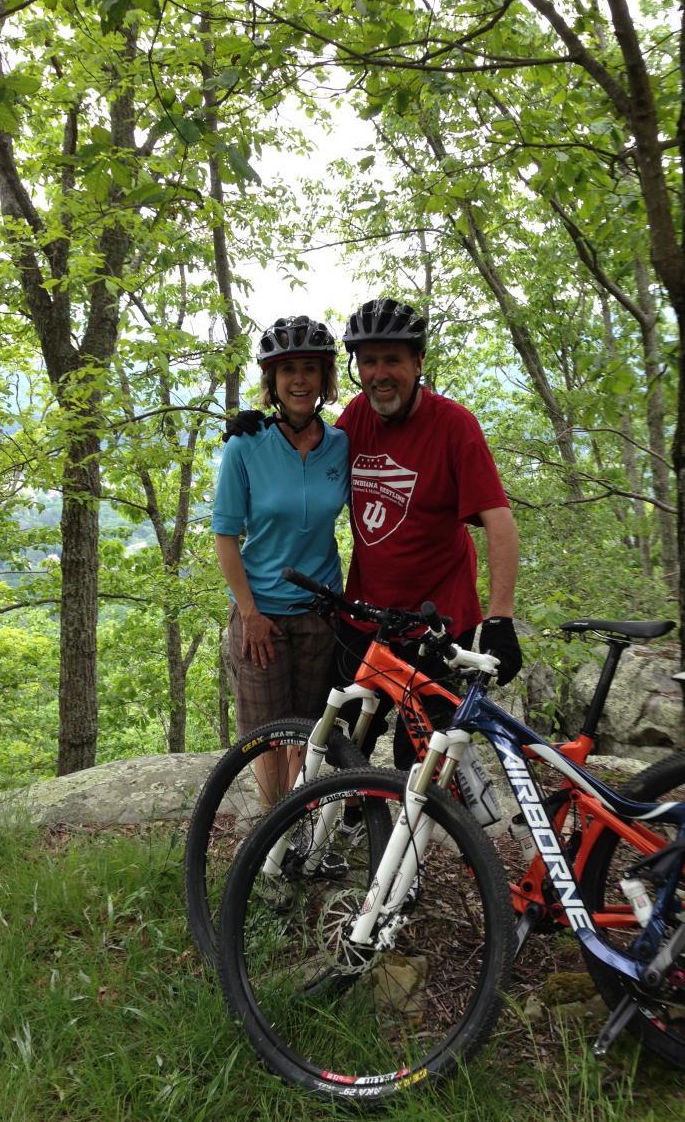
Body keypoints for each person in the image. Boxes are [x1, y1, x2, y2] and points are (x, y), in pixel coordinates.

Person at [334, 297, 521, 765]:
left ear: (418, 362)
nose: (380, 373)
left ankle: (414, 835)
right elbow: (308, 465)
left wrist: (500, 618)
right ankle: (359, 820)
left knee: (415, 758)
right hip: (368, 617)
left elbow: (499, 522)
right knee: (346, 737)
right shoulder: (356, 415)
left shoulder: (453, 426)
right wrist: (267, 434)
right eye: (369, 361)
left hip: (438, 623)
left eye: (393, 360)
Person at [211, 315, 348, 808]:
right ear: (271, 380)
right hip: (261, 614)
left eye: (310, 368)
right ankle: (270, 835)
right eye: (287, 369)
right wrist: (249, 613)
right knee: (267, 736)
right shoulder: (245, 446)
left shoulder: (340, 445)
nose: (299, 380)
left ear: (324, 378)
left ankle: (297, 824)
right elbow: (225, 535)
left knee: (308, 733)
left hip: (319, 613)